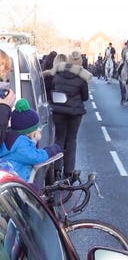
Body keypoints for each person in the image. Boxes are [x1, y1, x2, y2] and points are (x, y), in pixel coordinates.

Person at [47, 51, 91, 179]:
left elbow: (53, 89)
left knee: (59, 139)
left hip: (58, 111)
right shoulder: (82, 79)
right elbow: (85, 97)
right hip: (75, 112)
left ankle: (56, 169)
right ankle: (69, 171)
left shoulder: (58, 75)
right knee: (72, 139)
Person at [1, 99, 62, 182]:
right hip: (18, 182)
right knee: (35, 189)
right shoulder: (21, 144)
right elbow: (35, 157)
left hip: (9, 180)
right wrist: (51, 150)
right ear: (31, 131)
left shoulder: (9, 137)